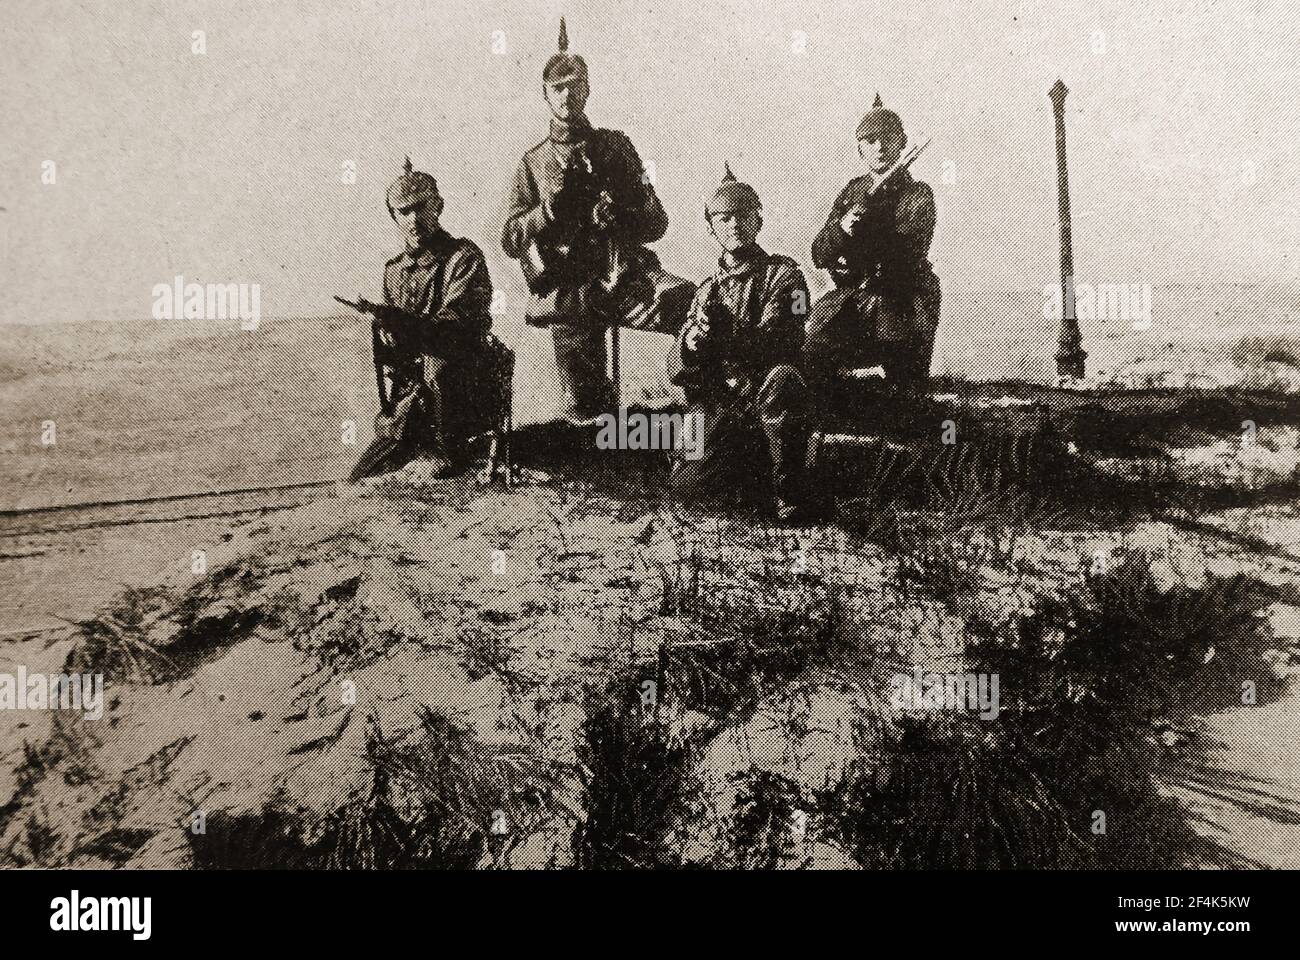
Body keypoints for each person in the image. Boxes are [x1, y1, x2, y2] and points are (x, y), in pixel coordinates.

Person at [501, 18, 668, 422]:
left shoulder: (616, 146)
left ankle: (705, 423)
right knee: (586, 412)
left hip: (627, 279)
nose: (567, 95)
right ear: (544, 94)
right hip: (570, 292)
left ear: (588, 89)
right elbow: (510, 238)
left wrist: (624, 212)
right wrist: (548, 211)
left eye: (575, 85)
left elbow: (657, 224)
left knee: (691, 310)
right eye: (558, 88)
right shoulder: (535, 162)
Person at [668, 165, 812, 521]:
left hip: (767, 394)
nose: (735, 225)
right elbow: (675, 370)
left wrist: (725, 337)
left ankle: (790, 494)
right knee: (689, 488)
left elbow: (782, 337)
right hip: (724, 401)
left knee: (783, 379)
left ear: (758, 221)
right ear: (711, 228)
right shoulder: (706, 289)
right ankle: (745, 475)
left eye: (744, 216)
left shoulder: (786, 274)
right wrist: (692, 343)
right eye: (724, 218)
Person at [349, 157, 499, 481]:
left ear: (438, 206)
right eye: (404, 212)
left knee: (439, 362)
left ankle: (448, 453)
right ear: (394, 217)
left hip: (464, 390)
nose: (414, 219)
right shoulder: (393, 271)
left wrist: (395, 319)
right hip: (415, 397)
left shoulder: (464, 258)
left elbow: (453, 331)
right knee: (361, 478)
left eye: (421, 207)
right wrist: (386, 332)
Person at [805, 94, 940, 398]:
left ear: (901, 143)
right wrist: (843, 229)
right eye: (870, 140)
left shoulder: (917, 193)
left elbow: (908, 253)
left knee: (904, 390)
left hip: (901, 296)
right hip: (853, 295)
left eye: (887, 139)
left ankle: (904, 389)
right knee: (810, 347)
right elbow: (819, 252)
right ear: (860, 148)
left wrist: (871, 222)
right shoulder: (852, 191)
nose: (879, 147)